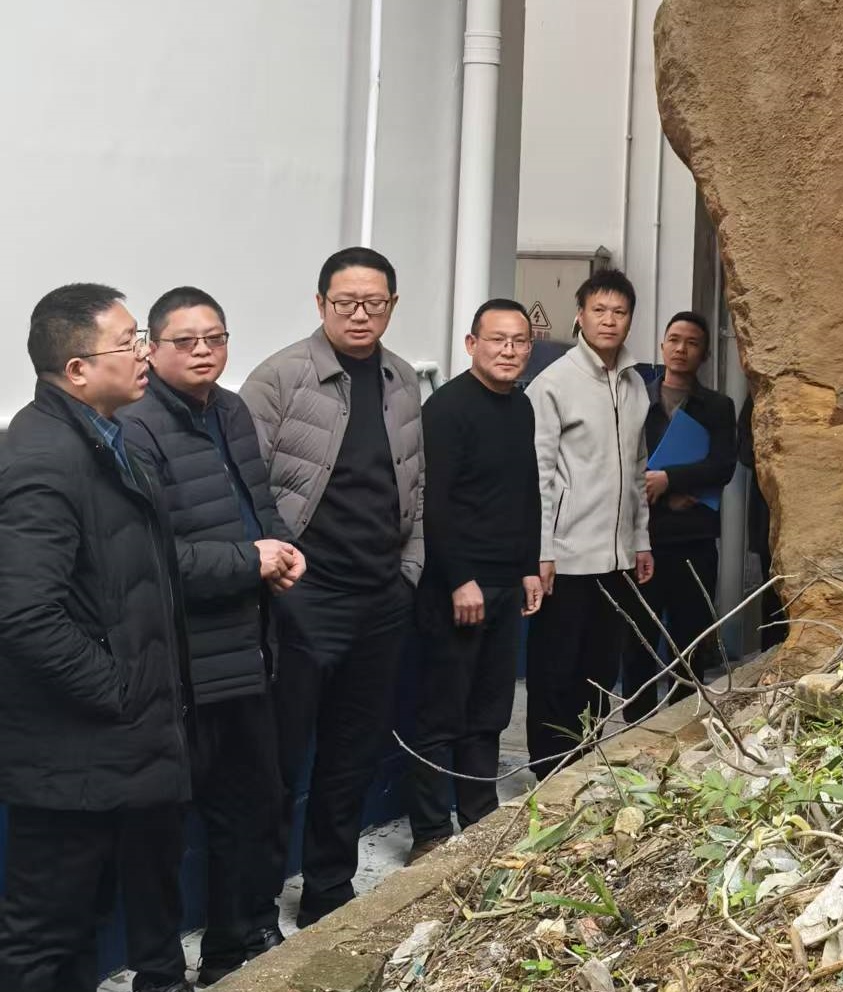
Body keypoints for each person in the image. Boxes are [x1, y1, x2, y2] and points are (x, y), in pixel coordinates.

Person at [0, 284, 193, 992]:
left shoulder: (106, 439)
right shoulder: (43, 458)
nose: (144, 352)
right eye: (129, 340)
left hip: (114, 749)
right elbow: (24, 613)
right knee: (42, 937)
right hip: (70, 756)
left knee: (82, 927)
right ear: (77, 369)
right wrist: (121, 690)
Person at [119, 287, 304, 983]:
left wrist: (282, 551)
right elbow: (150, 560)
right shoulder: (136, 426)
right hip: (181, 667)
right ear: (152, 349)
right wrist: (248, 562)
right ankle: (159, 974)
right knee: (161, 832)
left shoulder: (230, 409)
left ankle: (230, 949)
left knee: (248, 812)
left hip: (250, 654)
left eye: (215, 338)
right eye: (186, 341)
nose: (204, 351)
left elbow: (260, 506)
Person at [241, 247, 424, 930]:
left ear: (391, 306)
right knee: (279, 762)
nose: (359, 314)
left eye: (373, 303)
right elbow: (244, 485)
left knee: (352, 756)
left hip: (381, 599)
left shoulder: (403, 379)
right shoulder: (280, 378)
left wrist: (408, 574)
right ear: (320, 304)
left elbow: (418, 486)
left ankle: (328, 891)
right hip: (303, 600)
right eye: (345, 302)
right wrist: (276, 577)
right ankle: (255, 909)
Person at [405, 298, 542, 860]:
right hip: (456, 586)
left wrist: (529, 566)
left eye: (519, 341)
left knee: (490, 709)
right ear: (471, 344)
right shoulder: (446, 409)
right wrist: (459, 578)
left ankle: (479, 814)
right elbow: (433, 504)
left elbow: (527, 492)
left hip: (507, 581)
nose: (509, 351)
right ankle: (430, 832)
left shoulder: (522, 406)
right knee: (441, 710)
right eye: (497, 340)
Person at [525, 269, 653, 777]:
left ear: (630, 320)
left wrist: (640, 540)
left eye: (619, 312)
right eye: (599, 310)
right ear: (580, 316)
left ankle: (584, 759)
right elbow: (539, 475)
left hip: (617, 556)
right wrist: (542, 550)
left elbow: (638, 470)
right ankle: (548, 767)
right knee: (557, 667)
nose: (609, 320)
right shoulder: (553, 384)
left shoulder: (636, 384)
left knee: (600, 668)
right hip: (566, 554)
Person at [620, 312, 736, 722]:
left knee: (690, 640)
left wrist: (669, 480)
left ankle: (685, 721)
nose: (681, 349)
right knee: (639, 639)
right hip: (643, 542)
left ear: (704, 354)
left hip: (694, 543)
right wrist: (667, 492)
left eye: (692, 342)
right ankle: (636, 725)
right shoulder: (637, 400)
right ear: (662, 345)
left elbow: (722, 466)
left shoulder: (718, 407)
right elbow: (623, 464)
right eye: (674, 339)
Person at [738, 393, 788, 649]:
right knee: (772, 590)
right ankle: (771, 655)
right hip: (768, 510)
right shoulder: (761, 395)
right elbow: (744, 451)